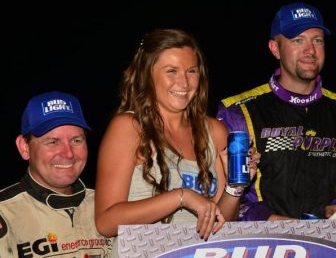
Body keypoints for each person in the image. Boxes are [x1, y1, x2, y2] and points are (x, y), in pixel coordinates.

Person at [94, 29, 260, 241]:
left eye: (191, 71)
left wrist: (235, 187)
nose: (184, 83)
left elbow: (221, 224)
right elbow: (106, 222)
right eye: (171, 71)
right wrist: (182, 197)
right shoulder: (129, 127)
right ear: (148, 74)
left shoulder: (214, 131)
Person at [216, 2, 336, 221]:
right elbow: (221, 195)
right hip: (261, 244)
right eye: (298, 40)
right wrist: (267, 220)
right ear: (275, 48)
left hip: (333, 244)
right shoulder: (237, 112)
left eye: (317, 40)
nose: (310, 50)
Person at [0, 91, 112, 257]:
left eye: (76, 140)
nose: (68, 153)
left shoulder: (107, 205)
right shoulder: (5, 211)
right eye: (53, 142)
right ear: (24, 147)